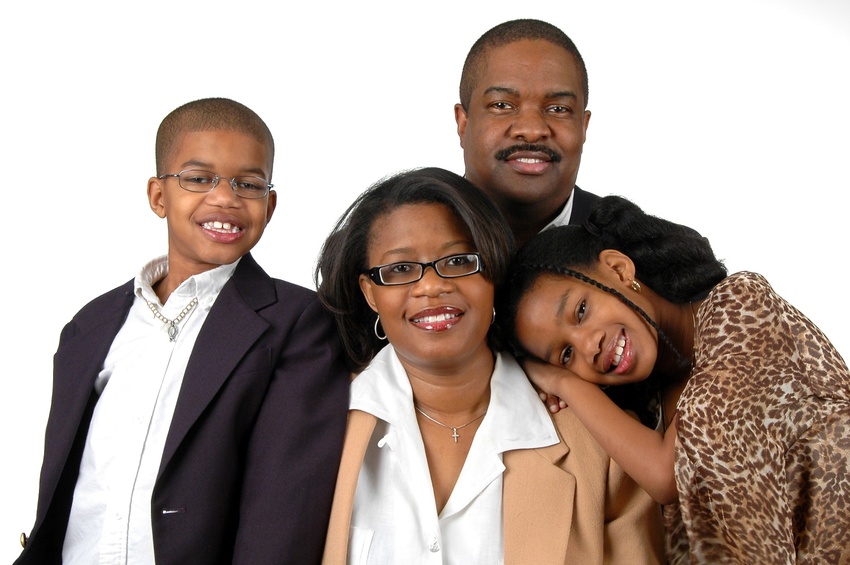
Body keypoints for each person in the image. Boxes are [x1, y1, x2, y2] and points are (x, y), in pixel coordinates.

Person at [15, 98, 350, 565]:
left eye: (248, 184)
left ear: (269, 205)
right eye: (198, 178)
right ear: (158, 196)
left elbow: (284, 510)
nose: (225, 198)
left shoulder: (299, 323)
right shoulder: (89, 327)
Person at [315, 168, 664, 564]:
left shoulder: (600, 449)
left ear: (492, 271)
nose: (431, 287)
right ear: (370, 294)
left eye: (459, 260)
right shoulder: (319, 425)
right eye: (400, 269)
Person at [501, 195, 850, 563]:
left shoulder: (744, 307)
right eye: (565, 354)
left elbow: (667, 473)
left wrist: (561, 380)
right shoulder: (651, 406)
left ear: (619, 270)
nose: (589, 345)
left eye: (581, 310)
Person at [454, 19, 600, 247]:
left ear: (583, 127)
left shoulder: (645, 255)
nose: (532, 131)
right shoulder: (398, 237)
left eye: (558, 109)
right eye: (502, 105)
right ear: (463, 123)